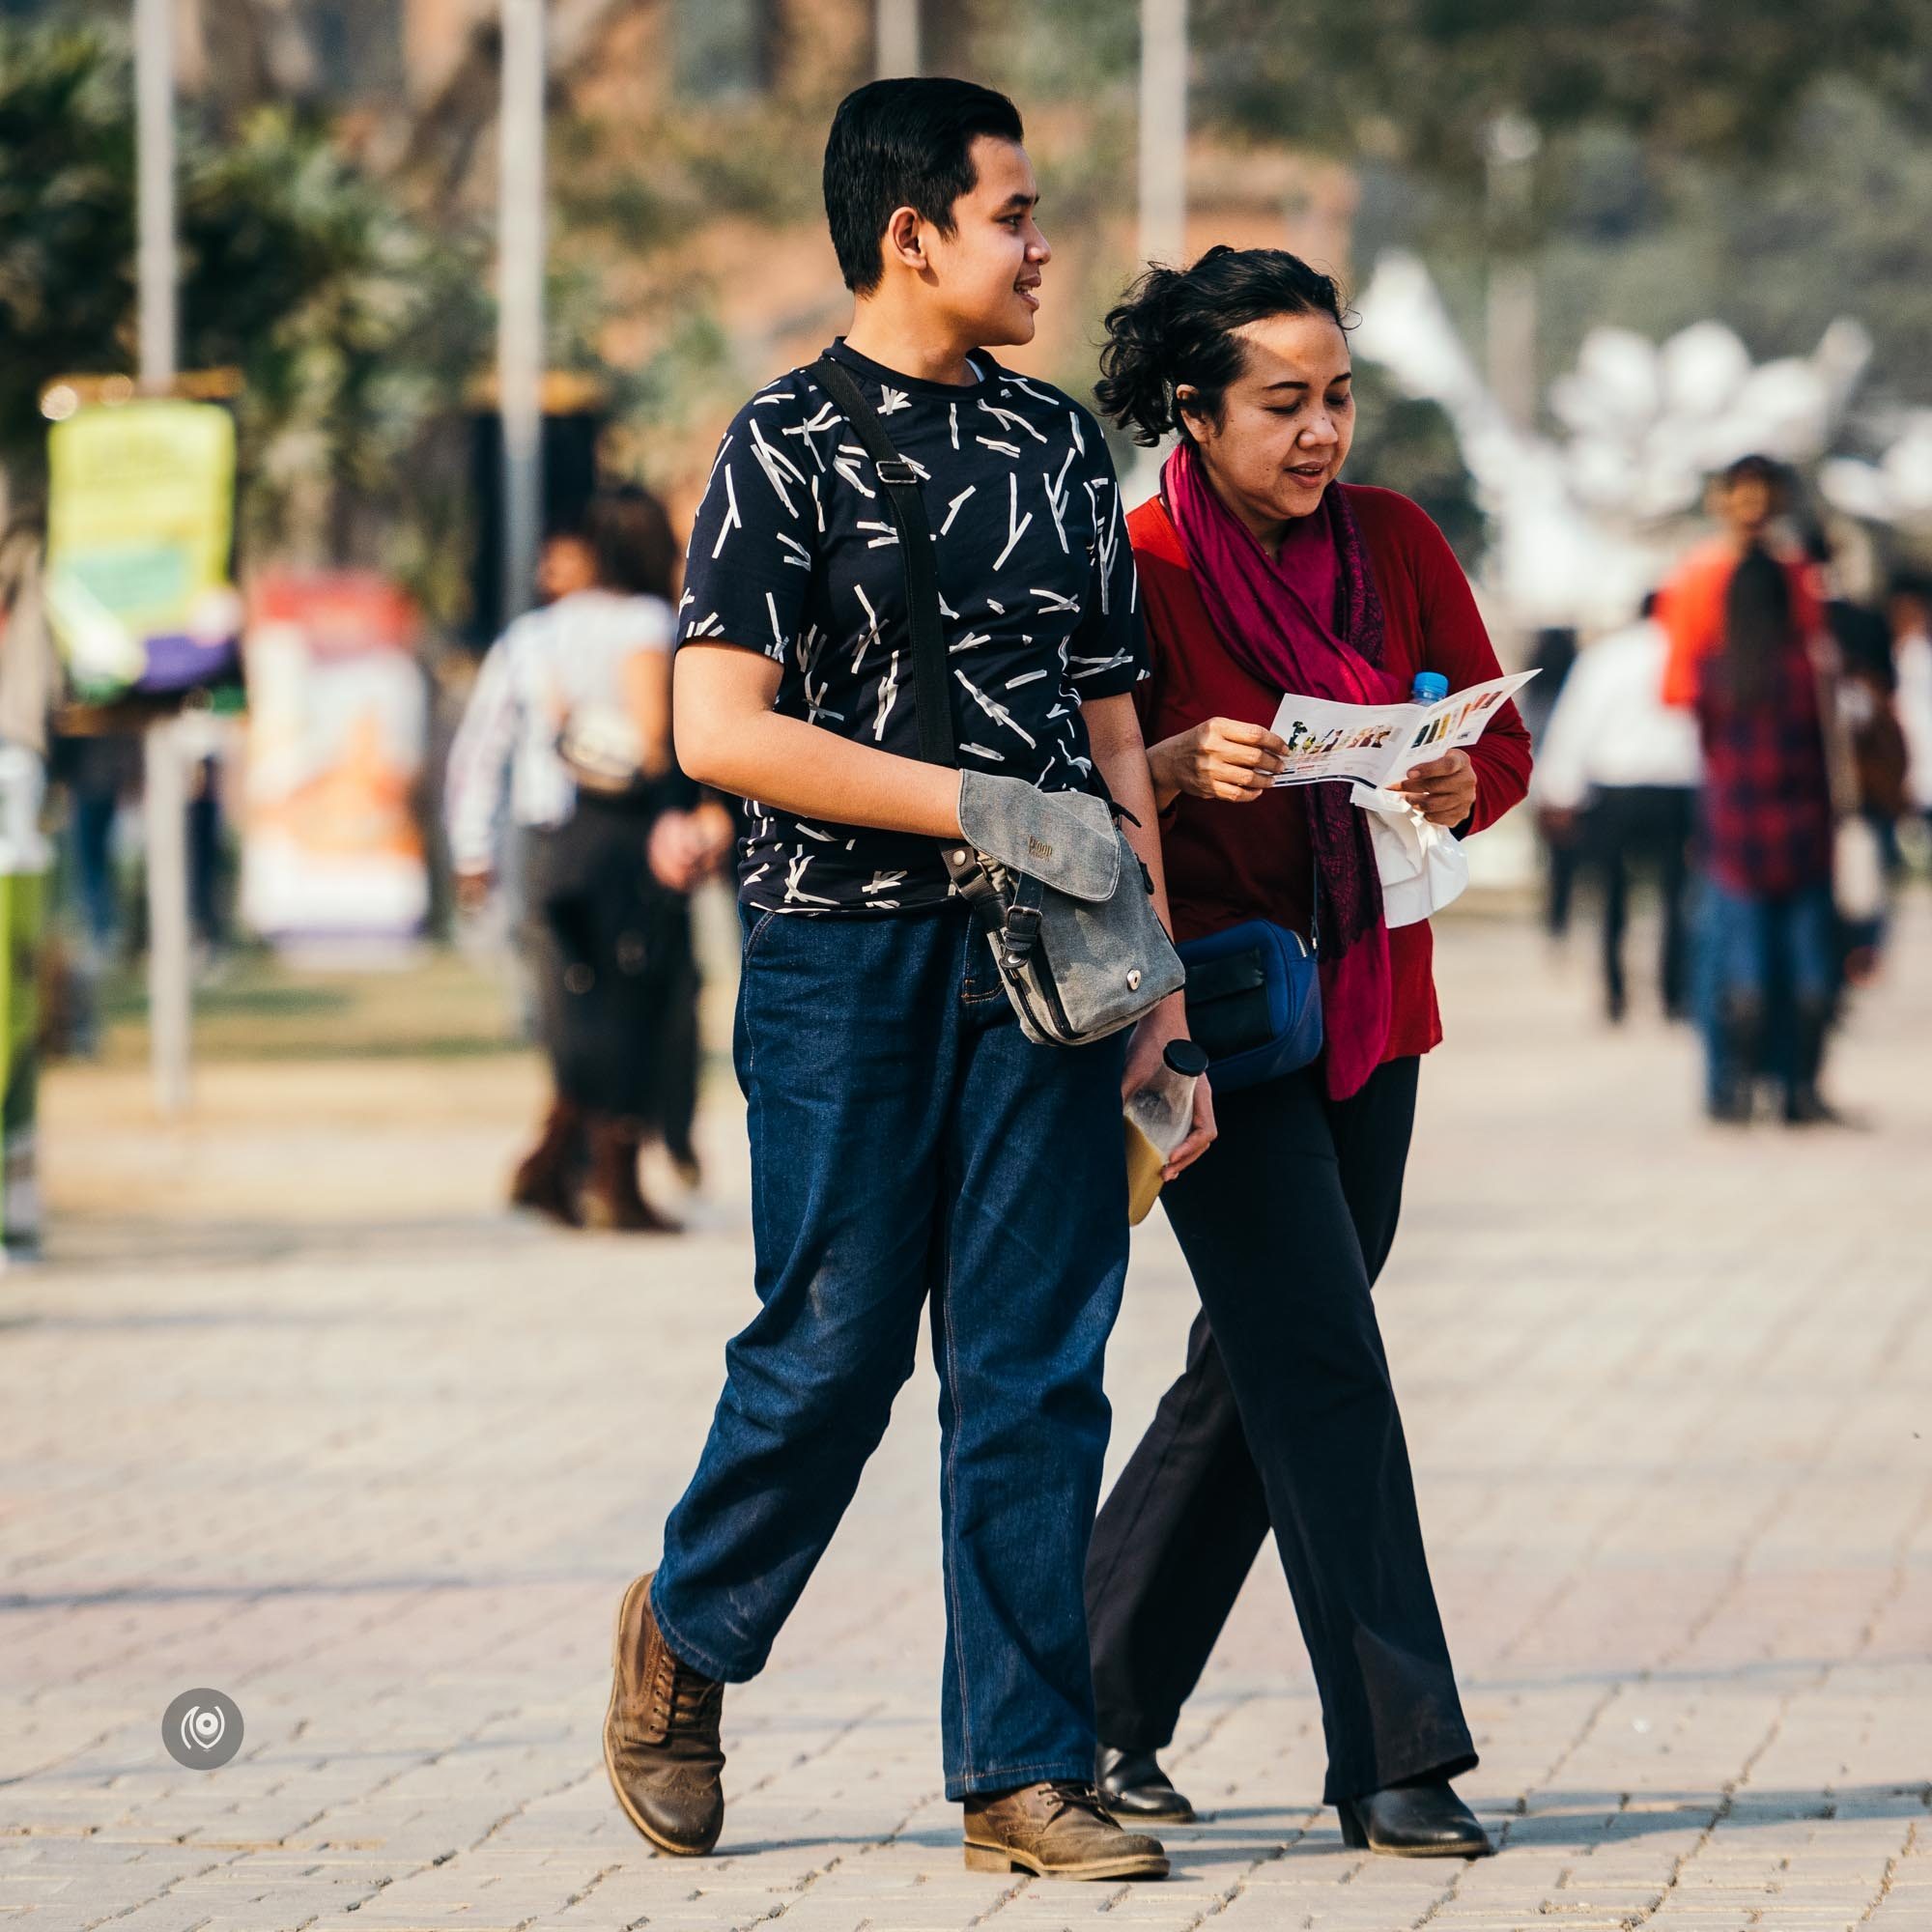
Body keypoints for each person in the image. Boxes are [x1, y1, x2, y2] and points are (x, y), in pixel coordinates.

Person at [601, 79, 1192, 1882]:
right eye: (1012, 214)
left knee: (1034, 1368)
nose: (1041, 246)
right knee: (831, 1354)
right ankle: (686, 1639)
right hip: (840, 963)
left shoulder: (1053, 445)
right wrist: (972, 804)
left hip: (1055, 972)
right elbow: (719, 729)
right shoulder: (782, 443)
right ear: (910, 232)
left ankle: (1021, 1773)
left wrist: (1155, 982)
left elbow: (1114, 727)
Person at [1080, 245, 1531, 1858]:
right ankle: (1398, 1751)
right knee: (1325, 1365)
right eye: (1284, 402)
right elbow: (1081, 792)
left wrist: (1460, 782)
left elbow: (1494, 731)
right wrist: (1183, 768)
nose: (1322, 430)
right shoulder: (1132, 569)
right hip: (1212, 1024)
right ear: (1194, 411)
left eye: (1337, 397)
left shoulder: (1398, 544)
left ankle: (1088, 1701)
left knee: (1261, 1363)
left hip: (1375, 1015)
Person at [445, 487, 725, 1229]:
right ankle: (599, 1173)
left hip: (548, 840)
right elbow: (658, 742)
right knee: (635, 1004)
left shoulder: (529, 637)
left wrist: (472, 850)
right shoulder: (650, 623)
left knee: (572, 1006)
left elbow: (481, 751)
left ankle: (562, 1166)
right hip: (624, 837)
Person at [1658, 456, 1838, 1123]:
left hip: (1739, 781)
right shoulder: (1703, 575)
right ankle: (1761, 1083)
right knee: (1761, 941)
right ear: (1722, 500)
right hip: (1753, 782)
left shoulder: (1792, 575)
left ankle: (1747, 1083)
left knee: (1743, 941)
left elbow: (1682, 686)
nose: (1754, 508)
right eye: (1743, 495)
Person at [1533, 593, 1701, 1020]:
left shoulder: (1608, 656)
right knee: (1676, 896)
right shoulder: (1693, 652)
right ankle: (1672, 994)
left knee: (1611, 895)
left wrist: (1560, 791)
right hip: (1678, 788)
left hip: (1616, 789)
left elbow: (1577, 723)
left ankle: (1615, 992)